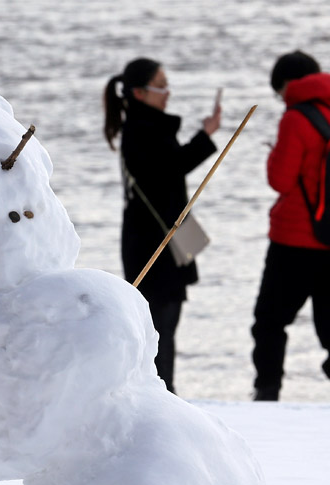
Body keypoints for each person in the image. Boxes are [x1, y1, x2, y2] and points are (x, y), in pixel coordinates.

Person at [251, 50, 330, 403]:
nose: (282, 99)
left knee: (270, 321)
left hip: (296, 241)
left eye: (279, 92)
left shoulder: (295, 119)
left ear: (288, 84)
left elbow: (280, 180)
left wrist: (274, 153)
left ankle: (267, 393)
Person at [104, 58, 221, 394]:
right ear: (139, 93)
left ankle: (162, 394)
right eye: (160, 86)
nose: (167, 92)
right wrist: (205, 136)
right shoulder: (141, 130)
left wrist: (204, 136)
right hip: (153, 243)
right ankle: (161, 396)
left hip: (159, 238)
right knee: (159, 329)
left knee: (163, 327)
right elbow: (171, 168)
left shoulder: (147, 126)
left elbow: (170, 168)